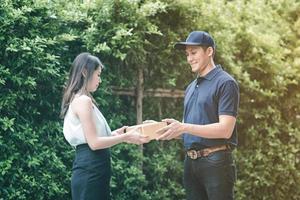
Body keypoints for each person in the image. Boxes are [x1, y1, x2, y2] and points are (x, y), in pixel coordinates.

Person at [157, 31, 240, 200]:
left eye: (194, 53)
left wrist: (184, 126)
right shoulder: (190, 87)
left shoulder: (226, 83)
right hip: (191, 163)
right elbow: (188, 130)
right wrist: (160, 129)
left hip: (216, 162)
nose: (189, 59)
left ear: (209, 51)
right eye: (187, 54)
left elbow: (225, 130)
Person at [60, 52, 150, 200]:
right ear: (84, 72)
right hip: (91, 170)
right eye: (98, 74)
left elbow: (93, 138)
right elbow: (94, 143)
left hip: (93, 168)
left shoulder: (82, 99)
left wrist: (117, 133)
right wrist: (125, 137)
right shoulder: (83, 101)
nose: (99, 80)